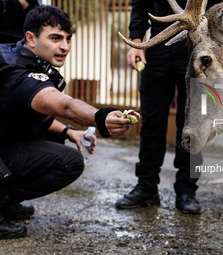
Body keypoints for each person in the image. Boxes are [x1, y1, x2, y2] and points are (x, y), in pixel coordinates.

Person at [0, 5, 131, 239]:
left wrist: (70, 132)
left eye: (68, 39)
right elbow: (64, 105)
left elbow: (25, 115)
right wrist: (100, 117)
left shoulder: (20, 57)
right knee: (69, 161)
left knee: (55, 139)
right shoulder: (20, 74)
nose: (65, 47)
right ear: (31, 38)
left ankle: (5, 200)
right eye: (55, 38)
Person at [115, 0, 223, 214]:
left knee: (193, 125)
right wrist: (136, 38)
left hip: (197, 47)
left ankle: (186, 191)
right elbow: (140, 4)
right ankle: (146, 187)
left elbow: (222, 9)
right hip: (157, 45)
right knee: (151, 122)